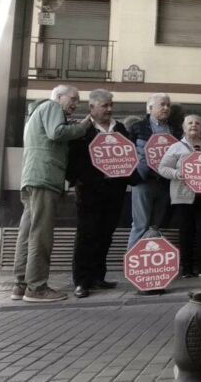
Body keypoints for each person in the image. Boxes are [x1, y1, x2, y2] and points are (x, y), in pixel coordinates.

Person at [12, 85, 92, 303]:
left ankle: (20, 284)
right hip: (46, 178)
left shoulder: (37, 111)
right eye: (73, 98)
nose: (76, 104)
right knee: (41, 233)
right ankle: (36, 288)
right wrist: (84, 126)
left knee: (27, 232)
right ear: (59, 97)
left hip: (32, 177)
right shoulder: (52, 107)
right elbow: (56, 133)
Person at [67, 89, 129, 299]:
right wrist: (80, 180)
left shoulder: (119, 128)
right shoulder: (82, 129)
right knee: (86, 235)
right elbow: (74, 159)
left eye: (111, 105)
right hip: (90, 191)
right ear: (91, 107)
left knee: (105, 234)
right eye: (105, 105)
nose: (109, 109)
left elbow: (128, 156)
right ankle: (81, 282)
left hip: (114, 191)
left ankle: (97, 277)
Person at [158, 115, 201, 279]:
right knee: (186, 233)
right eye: (190, 123)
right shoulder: (176, 147)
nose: (194, 125)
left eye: (198, 123)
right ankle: (186, 268)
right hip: (183, 197)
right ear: (184, 127)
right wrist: (178, 174)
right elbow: (163, 168)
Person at [128, 93, 181, 249]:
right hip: (143, 181)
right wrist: (133, 177)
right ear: (150, 108)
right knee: (140, 225)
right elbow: (128, 154)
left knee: (156, 226)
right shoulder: (137, 127)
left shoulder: (175, 130)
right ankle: (132, 266)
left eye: (168, 105)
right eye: (162, 104)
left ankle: (149, 268)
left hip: (165, 183)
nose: (166, 108)